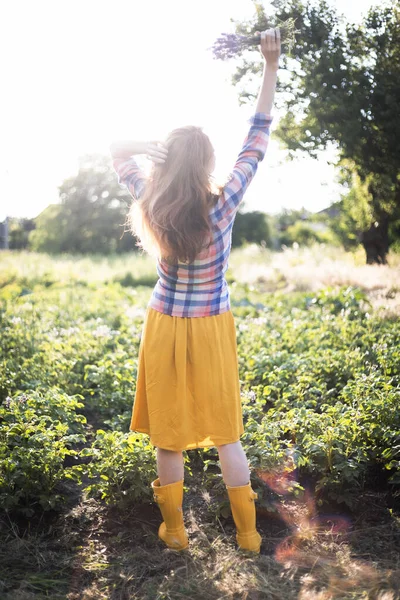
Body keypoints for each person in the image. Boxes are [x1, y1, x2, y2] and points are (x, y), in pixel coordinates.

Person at [109, 28, 280, 554]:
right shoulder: (223, 202)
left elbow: (117, 152)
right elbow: (258, 136)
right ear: (207, 163)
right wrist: (270, 64)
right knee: (228, 432)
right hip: (211, 325)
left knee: (170, 434)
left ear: (166, 163)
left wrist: (146, 146)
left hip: (164, 323)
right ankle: (248, 535)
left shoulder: (151, 200)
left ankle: (177, 532)